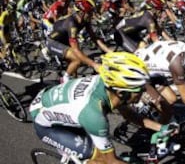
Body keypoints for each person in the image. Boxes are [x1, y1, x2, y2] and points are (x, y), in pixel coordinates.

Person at [30, 52, 176, 164]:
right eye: (139, 90)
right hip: (46, 122)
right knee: (98, 158)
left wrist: (160, 128)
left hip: (62, 106)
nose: (144, 92)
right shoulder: (95, 115)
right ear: (120, 92)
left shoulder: (110, 86)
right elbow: (111, 161)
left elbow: (128, 114)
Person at [46, 0, 112, 84]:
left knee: (75, 70)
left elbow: (95, 39)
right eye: (90, 13)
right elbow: (76, 50)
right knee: (77, 59)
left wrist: (110, 52)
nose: (92, 16)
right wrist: (94, 65)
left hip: (65, 40)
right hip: (53, 42)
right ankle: (63, 81)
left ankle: (71, 81)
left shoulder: (85, 20)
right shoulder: (71, 24)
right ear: (81, 13)